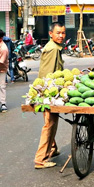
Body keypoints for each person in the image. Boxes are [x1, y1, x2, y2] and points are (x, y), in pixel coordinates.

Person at [34, 22, 66, 169]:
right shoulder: (52, 49)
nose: (61, 35)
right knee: (50, 123)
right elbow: (47, 75)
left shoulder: (54, 47)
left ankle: (52, 149)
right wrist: (49, 96)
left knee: (50, 121)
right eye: (58, 33)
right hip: (48, 93)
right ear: (51, 34)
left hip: (47, 91)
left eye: (63, 33)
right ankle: (40, 159)